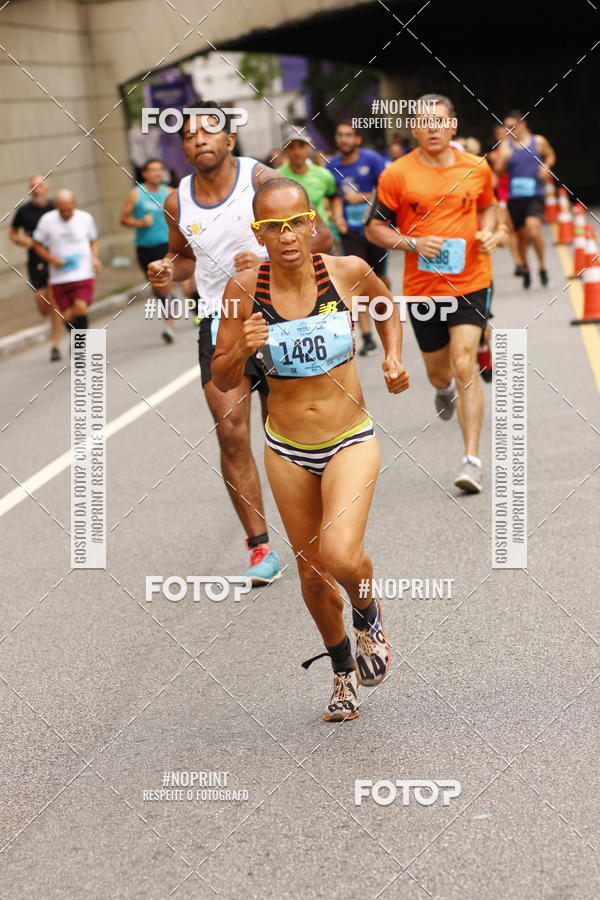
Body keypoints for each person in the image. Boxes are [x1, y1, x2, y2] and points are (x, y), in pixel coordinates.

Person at [211, 178, 409, 721]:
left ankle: (369, 615)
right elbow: (222, 375)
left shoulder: (345, 271)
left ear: (312, 221)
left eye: (294, 223)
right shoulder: (244, 289)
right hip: (287, 448)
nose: (287, 237)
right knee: (311, 574)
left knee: (340, 556)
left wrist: (392, 358)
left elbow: (387, 307)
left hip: (350, 438)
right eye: (271, 228)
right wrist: (242, 350)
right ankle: (343, 670)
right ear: (258, 233)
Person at [147, 102, 332, 585]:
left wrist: (269, 250)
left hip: (275, 313)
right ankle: (260, 548)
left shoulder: (261, 181)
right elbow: (185, 259)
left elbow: (324, 237)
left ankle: (309, 530)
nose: (200, 140)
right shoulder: (176, 199)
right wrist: (168, 270)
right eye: (189, 136)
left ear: (230, 140)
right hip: (217, 317)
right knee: (231, 432)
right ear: (184, 149)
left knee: (283, 428)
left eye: (210, 131)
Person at [366, 93, 507, 494]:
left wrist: (492, 233)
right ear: (414, 129)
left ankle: (471, 460)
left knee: (465, 363)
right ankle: (443, 390)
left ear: (453, 126)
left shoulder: (476, 167)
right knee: (440, 373)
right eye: (424, 123)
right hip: (424, 289)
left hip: (472, 280)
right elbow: (374, 229)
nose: (432, 129)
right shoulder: (396, 174)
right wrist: (412, 243)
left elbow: (490, 207)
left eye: (439, 122)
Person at [327, 122, 388, 356]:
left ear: (358, 139)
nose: (343, 139)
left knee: (379, 279)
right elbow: (331, 198)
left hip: (374, 227)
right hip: (350, 232)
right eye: (340, 135)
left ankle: (385, 312)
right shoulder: (331, 166)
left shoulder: (371, 160)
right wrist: (337, 217)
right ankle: (367, 336)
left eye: (348, 135)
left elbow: (386, 191)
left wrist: (362, 198)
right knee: (358, 281)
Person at [495, 110, 556, 288]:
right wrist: (503, 160)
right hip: (515, 198)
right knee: (521, 237)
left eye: (512, 126)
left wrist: (546, 166)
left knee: (533, 229)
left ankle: (542, 266)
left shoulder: (538, 141)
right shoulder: (505, 146)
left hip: (535, 194)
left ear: (523, 125)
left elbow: (551, 154)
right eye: (506, 127)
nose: (508, 130)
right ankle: (527, 268)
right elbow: (498, 172)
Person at [120, 158, 175, 344]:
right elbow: (124, 219)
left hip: (166, 245)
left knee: (165, 283)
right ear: (145, 174)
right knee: (157, 286)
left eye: (160, 170)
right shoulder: (136, 194)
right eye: (153, 170)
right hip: (145, 247)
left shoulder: (169, 192)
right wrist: (141, 223)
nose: (157, 174)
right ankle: (170, 302)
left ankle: (169, 326)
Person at [32, 190, 101, 333]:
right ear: (56, 206)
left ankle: (82, 344)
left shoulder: (85, 218)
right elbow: (37, 244)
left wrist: (94, 258)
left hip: (83, 273)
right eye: (62, 210)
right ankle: (76, 340)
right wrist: (52, 260)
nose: (66, 213)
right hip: (59, 277)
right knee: (68, 316)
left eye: (69, 209)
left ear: (74, 204)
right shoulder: (47, 220)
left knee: (80, 307)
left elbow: (94, 241)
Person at [10, 176, 62, 361]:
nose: (36, 190)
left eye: (39, 186)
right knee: (42, 303)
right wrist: (20, 240)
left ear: (47, 188)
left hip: (55, 259)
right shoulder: (24, 211)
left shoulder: (56, 207)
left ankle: (55, 345)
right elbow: (13, 233)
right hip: (35, 262)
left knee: (54, 302)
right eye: (32, 187)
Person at [277, 128, 337, 227]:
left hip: (321, 232)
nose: (297, 152)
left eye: (301, 146)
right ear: (285, 150)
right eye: (291, 147)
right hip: (292, 235)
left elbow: (334, 197)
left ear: (309, 147)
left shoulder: (324, 174)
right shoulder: (276, 178)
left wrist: (337, 217)